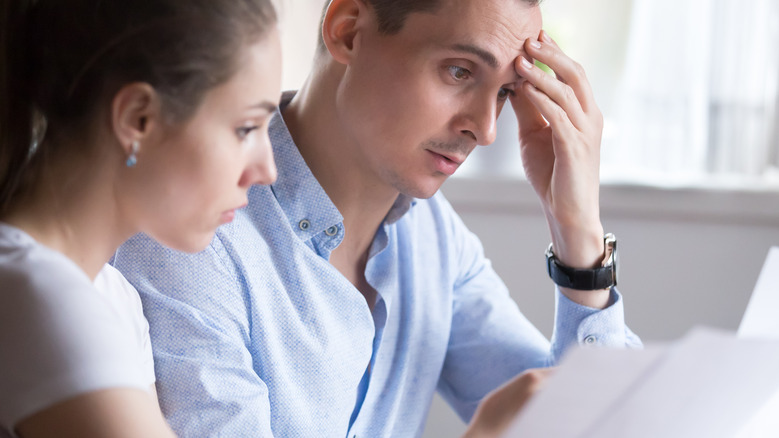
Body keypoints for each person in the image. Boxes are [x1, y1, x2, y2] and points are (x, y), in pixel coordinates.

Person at [114, 0, 642, 436]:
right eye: (459, 71)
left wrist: (578, 233)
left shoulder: (433, 238)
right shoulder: (189, 230)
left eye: (504, 92)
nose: (485, 130)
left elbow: (601, 427)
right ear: (348, 31)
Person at [0, 0, 280, 436]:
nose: (267, 170)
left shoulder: (114, 298)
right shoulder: (35, 293)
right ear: (138, 119)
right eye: (246, 128)